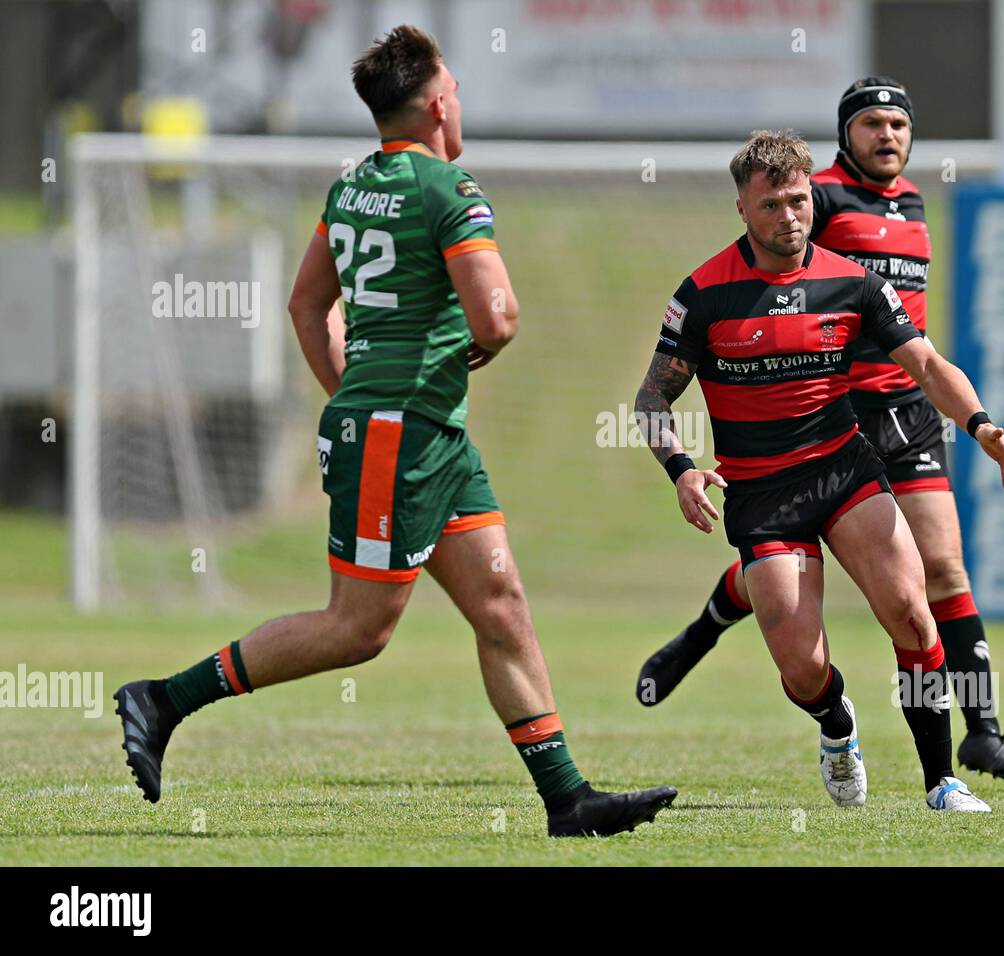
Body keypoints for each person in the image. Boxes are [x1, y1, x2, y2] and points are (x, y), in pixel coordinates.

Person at [113, 25, 675, 838]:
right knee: (358, 629)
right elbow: (501, 317)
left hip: (424, 433)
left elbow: (308, 302)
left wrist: (354, 390)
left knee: (502, 604)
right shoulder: (451, 189)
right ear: (440, 102)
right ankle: (163, 700)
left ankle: (567, 800)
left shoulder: (351, 189)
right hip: (400, 435)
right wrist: (440, 365)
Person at [638, 78, 1004, 785]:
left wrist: (979, 422)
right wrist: (684, 466)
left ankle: (970, 746)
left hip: (887, 425)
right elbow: (656, 394)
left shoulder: (908, 207)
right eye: (872, 123)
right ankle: (802, 696)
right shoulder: (809, 207)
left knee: (930, 587)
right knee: (798, 650)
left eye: (899, 124)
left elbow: (926, 355)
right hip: (807, 428)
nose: (888, 135)